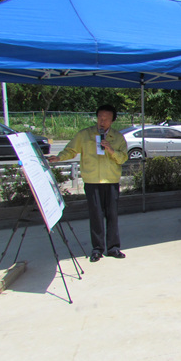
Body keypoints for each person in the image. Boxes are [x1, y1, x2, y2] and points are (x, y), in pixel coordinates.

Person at [48, 104, 128, 263]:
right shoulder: (85, 135)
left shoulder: (118, 138)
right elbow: (70, 150)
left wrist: (111, 150)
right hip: (92, 181)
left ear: (112, 120)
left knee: (112, 216)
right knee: (96, 216)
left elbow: (123, 158)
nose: (102, 121)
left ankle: (113, 248)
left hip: (110, 181)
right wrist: (58, 158)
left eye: (106, 118)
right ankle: (97, 249)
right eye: (100, 117)